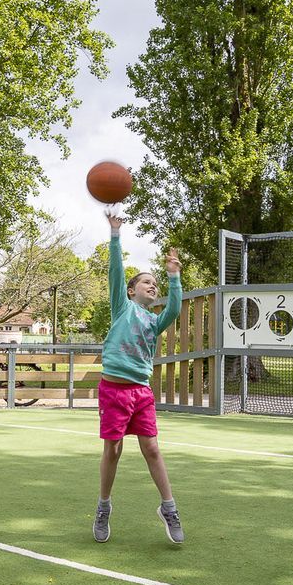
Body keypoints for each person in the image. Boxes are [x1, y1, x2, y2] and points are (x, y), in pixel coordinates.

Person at [93, 210, 184, 544]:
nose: (152, 285)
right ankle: (104, 507)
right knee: (113, 451)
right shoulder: (122, 306)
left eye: (155, 284)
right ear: (131, 291)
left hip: (140, 393)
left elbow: (174, 309)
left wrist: (173, 277)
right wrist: (115, 235)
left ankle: (168, 507)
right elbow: (116, 273)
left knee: (153, 450)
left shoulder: (153, 320)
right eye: (147, 282)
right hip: (113, 391)